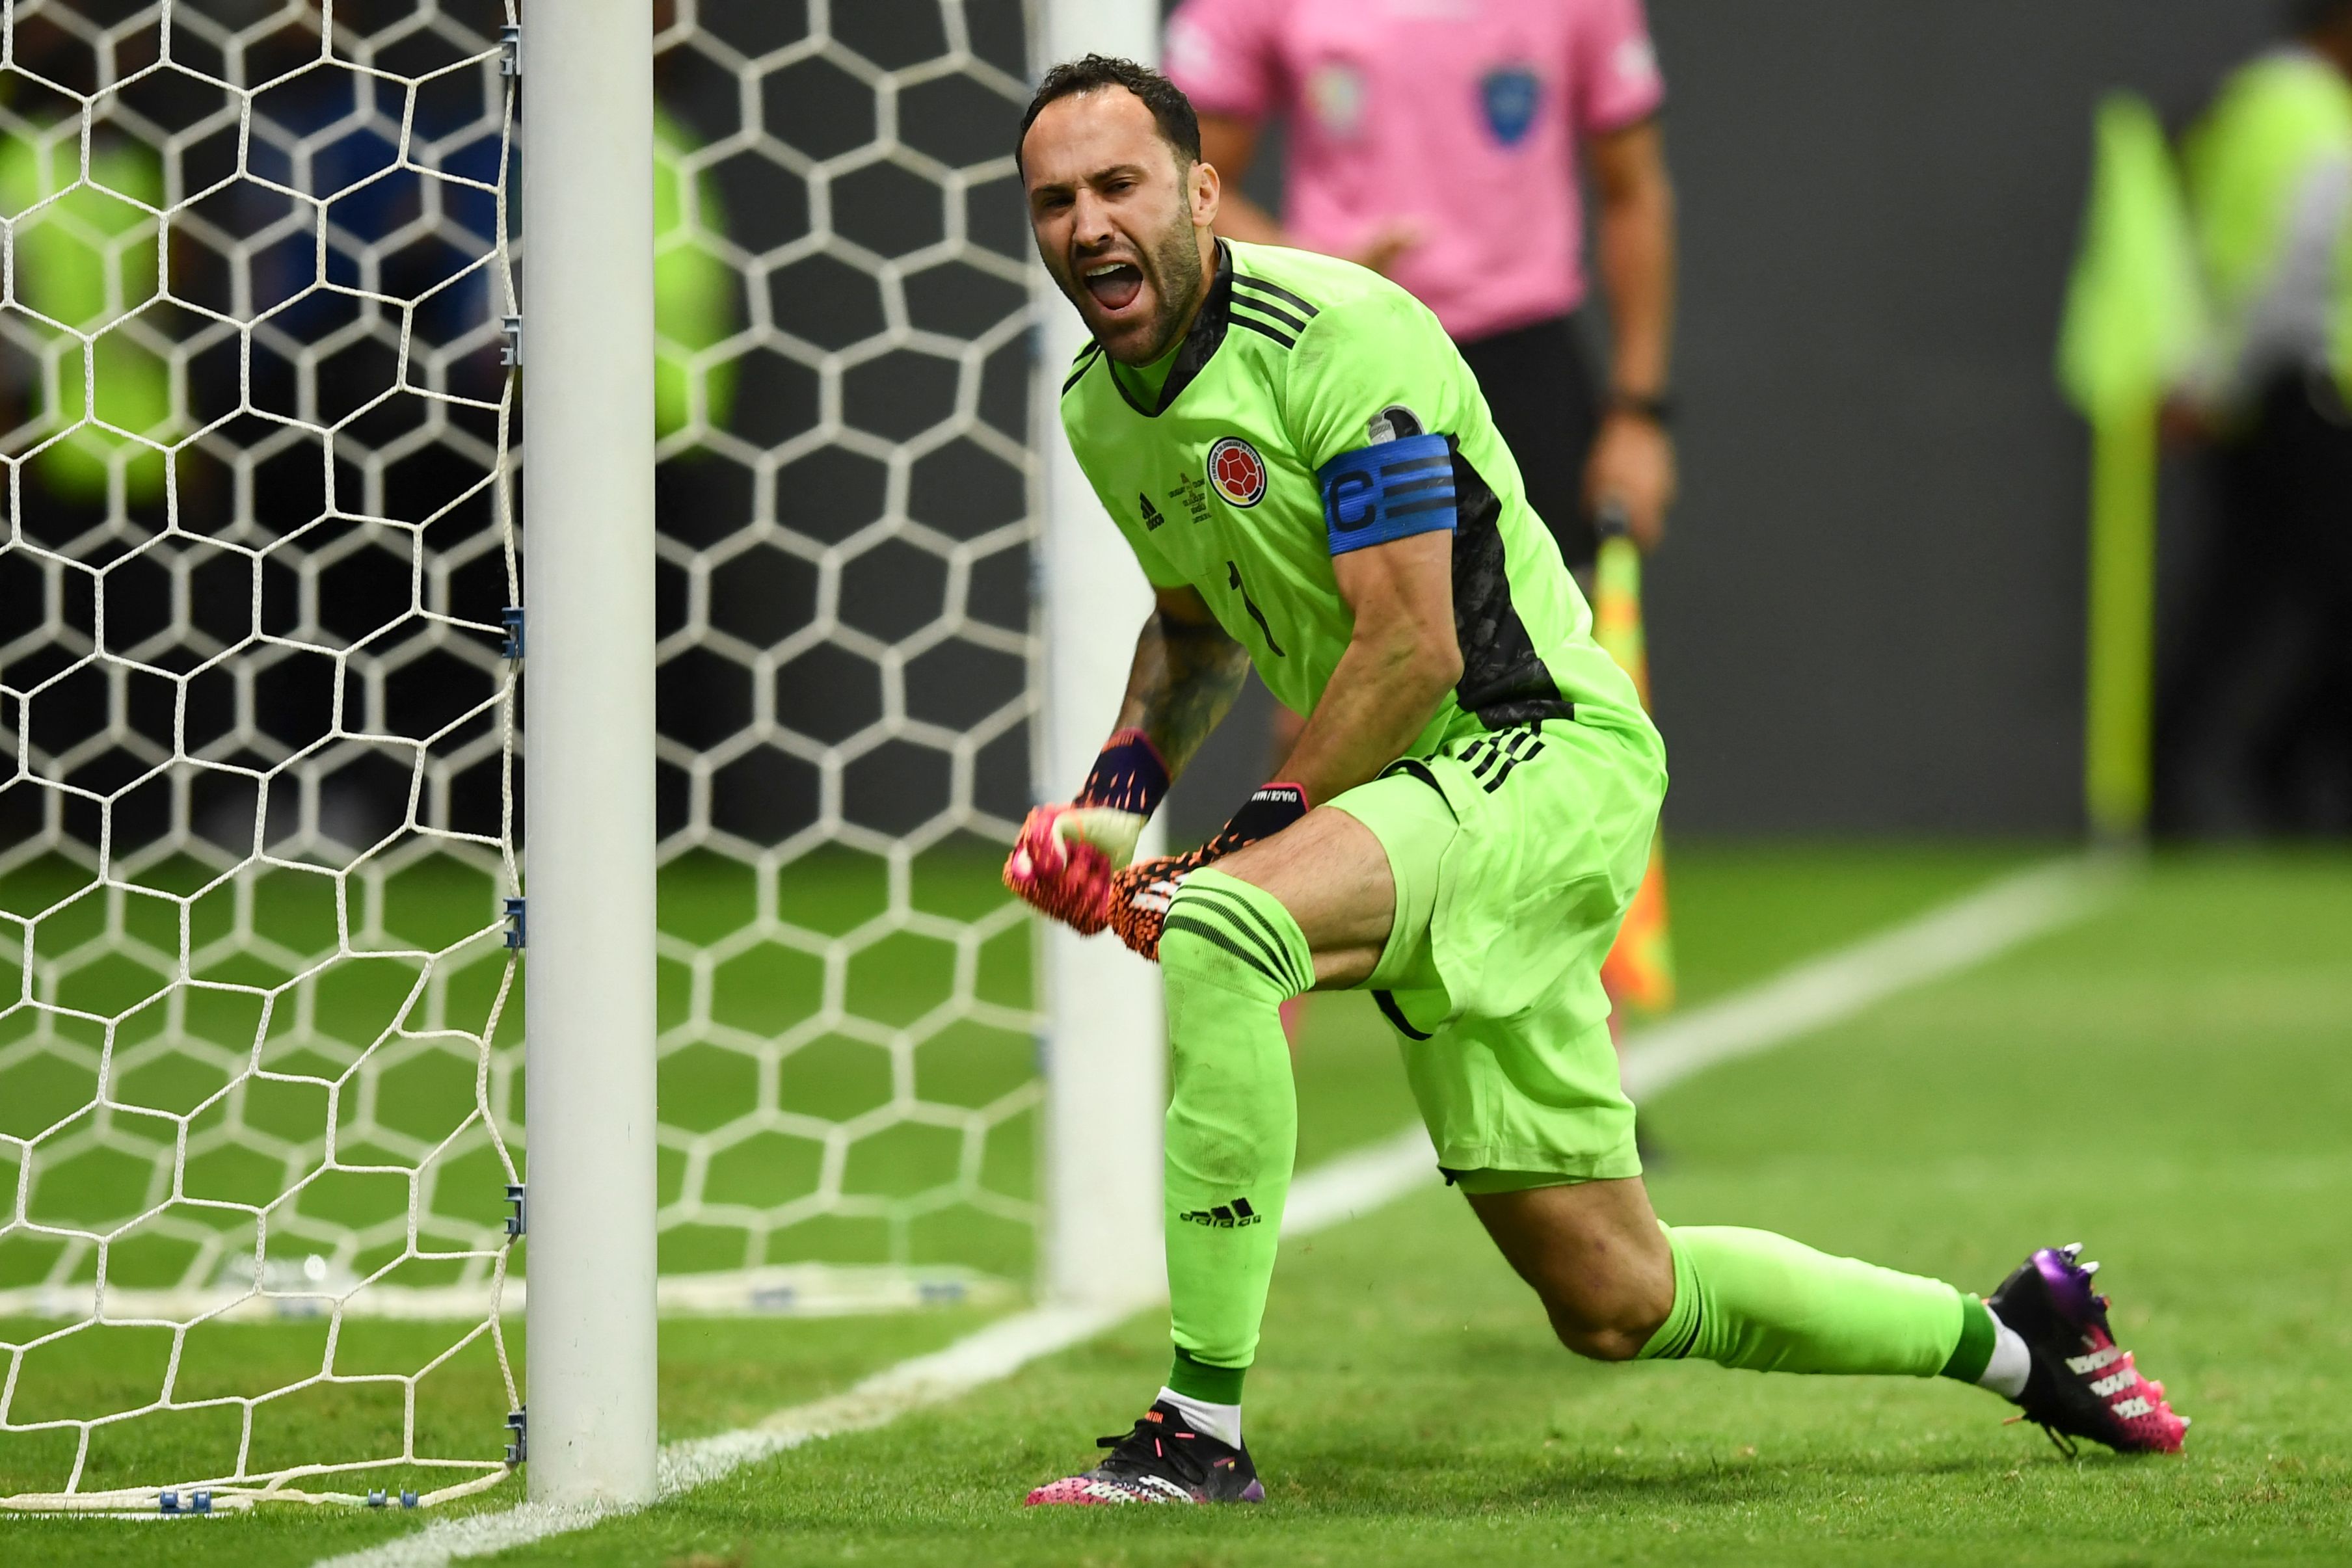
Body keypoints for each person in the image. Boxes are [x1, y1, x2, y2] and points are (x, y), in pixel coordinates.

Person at [1004, 57, 2185, 1506]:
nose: (1085, 225)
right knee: (1616, 1296)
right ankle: (2018, 1336)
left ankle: (1195, 1430)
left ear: (1198, 188)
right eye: (1052, 201)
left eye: (1117, 185)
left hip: (1534, 750)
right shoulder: (1098, 405)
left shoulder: (1343, 336)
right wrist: (1109, 806)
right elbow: (1194, 628)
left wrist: (1241, 844)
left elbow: (1413, 648)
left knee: (1223, 933)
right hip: (1423, 803)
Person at [2159, 0, 2352, 833]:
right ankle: (2284, 762)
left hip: (2263, 392)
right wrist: (2224, 381)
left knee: (2238, 597)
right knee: (2283, 594)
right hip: (2302, 392)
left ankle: (2167, 784)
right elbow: (2287, 268)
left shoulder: (2243, 110)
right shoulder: (2309, 118)